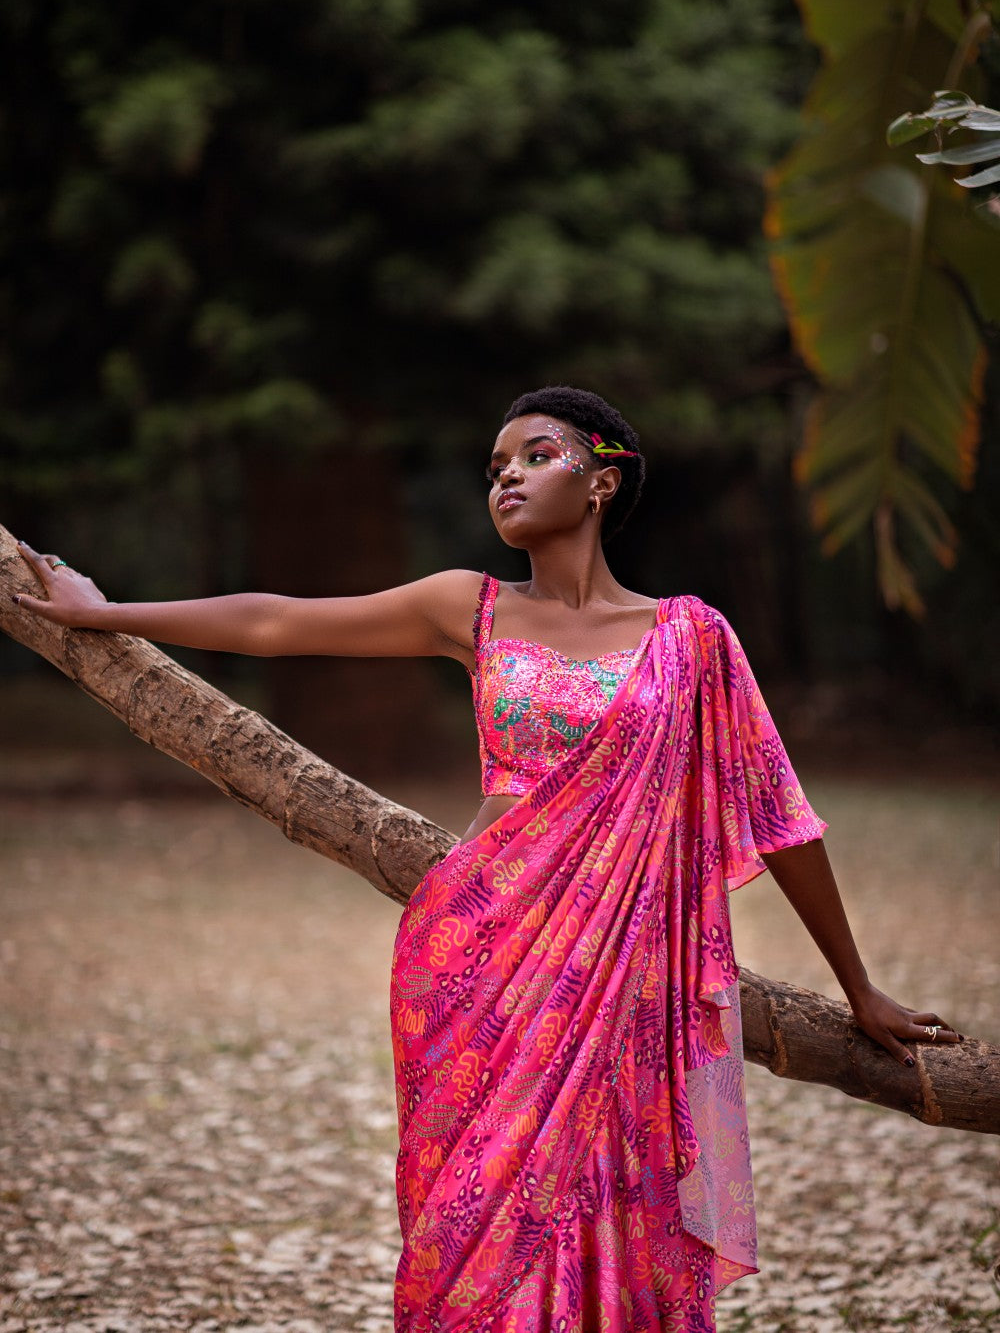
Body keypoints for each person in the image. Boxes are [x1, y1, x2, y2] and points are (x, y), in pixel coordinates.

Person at [14, 384, 960, 1333]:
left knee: (616, 1211)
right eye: (495, 465)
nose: (505, 472)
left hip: (628, 984)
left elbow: (778, 816)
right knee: (479, 1230)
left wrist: (859, 985)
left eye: (534, 454)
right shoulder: (467, 607)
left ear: (602, 477)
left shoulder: (693, 639)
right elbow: (279, 622)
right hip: (477, 960)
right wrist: (106, 613)